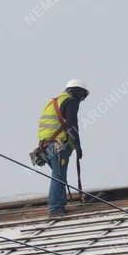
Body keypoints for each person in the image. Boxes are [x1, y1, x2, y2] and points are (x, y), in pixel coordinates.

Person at [36, 79, 89, 217]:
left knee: (59, 175)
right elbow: (72, 125)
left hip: (45, 147)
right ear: (76, 91)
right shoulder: (70, 101)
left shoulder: (55, 101)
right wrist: (78, 146)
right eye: (82, 95)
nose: (81, 99)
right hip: (58, 145)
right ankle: (55, 208)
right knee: (58, 176)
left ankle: (60, 203)